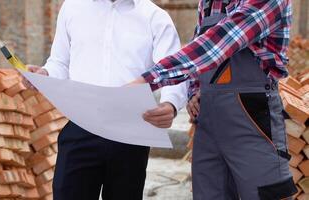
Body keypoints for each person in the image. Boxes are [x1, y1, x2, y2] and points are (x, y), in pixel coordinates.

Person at [128, 0, 297, 199]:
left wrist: (147, 81)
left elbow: (217, 44)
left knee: (263, 194)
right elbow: (198, 48)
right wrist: (195, 90)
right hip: (209, 124)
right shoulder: (208, 2)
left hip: (253, 121)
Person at [24, 0, 187, 199]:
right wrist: (46, 72)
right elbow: (60, 61)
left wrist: (171, 103)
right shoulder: (72, 7)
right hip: (81, 127)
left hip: (130, 135)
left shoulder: (155, 17)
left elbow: (175, 69)